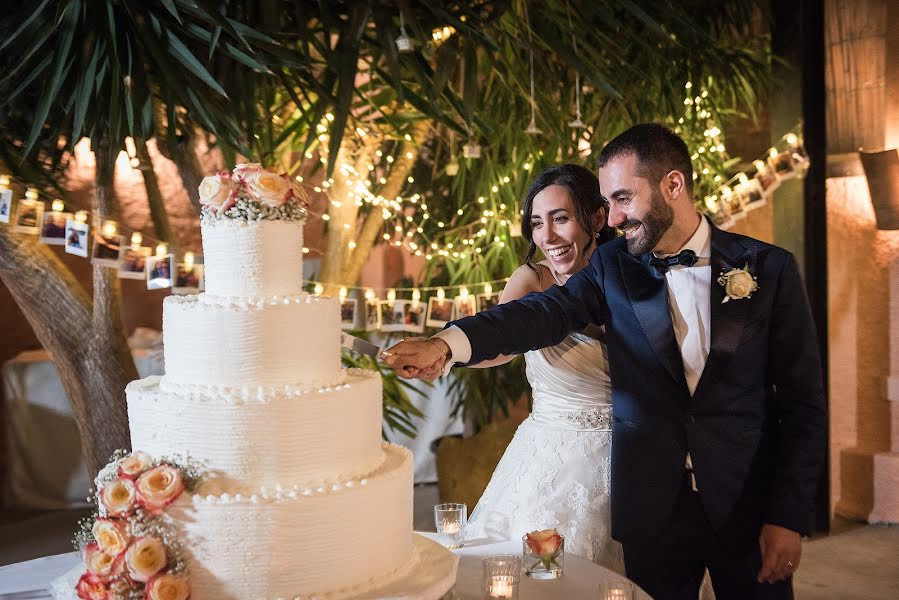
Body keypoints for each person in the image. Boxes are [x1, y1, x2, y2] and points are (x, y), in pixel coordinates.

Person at [383, 123, 826, 599]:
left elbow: (803, 405)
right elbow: (539, 313)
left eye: (622, 199)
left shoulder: (768, 269)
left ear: (672, 186)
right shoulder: (613, 266)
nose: (611, 218)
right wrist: (448, 344)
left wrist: (787, 516)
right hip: (652, 512)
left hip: (747, 504)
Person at [463, 163, 623, 571]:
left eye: (561, 219)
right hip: (549, 458)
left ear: (598, 218)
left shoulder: (630, 278)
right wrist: (448, 352)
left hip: (625, 457)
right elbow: (501, 343)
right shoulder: (531, 279)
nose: (546, 236)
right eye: (537, 223)